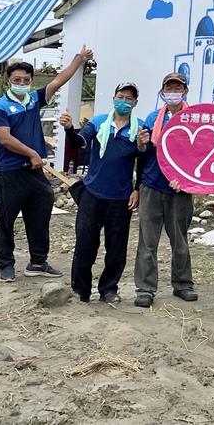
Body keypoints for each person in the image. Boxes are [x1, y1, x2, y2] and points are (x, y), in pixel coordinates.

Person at [0, 47, 93, 283]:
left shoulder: (34, 99)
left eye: (26, 79)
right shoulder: (0, 107)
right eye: (17, 79)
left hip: (34, 172)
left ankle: (37, 261)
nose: (22, 83)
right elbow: (4, 138)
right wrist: (32, 152)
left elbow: (59, 80)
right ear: (9, 80)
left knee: (40, 213)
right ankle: (6, 264)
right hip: (9, 172)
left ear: (31, 80)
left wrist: (79, 59)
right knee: (6, 219)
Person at [63, 81, 148, 303]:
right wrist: (69, 128)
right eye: (120, 97)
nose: (124, 101)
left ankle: (109, 289)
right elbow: (79, 142)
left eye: (129, 99)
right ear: (113, 98)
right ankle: (80, 289)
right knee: (85, 243)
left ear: (135, 103)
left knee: (117, 248)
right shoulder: (99, 123)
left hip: (120, 198)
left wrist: (136, 190)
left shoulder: (139, 129)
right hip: (92, 193)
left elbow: (143, 162)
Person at [133, 72, 197, 308]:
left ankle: (183, 284)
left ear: (185, 91)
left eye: (177, 88)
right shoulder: (152, 118)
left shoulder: (194, 118)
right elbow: (143, 155)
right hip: (152, 185)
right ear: (162, 91)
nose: (173, 92)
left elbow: (198, 153)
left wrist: (186, 180)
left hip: (180, 190)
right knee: (147, 241)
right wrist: (141, 145)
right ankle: (145, 289)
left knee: (180, 240)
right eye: (169, 88)